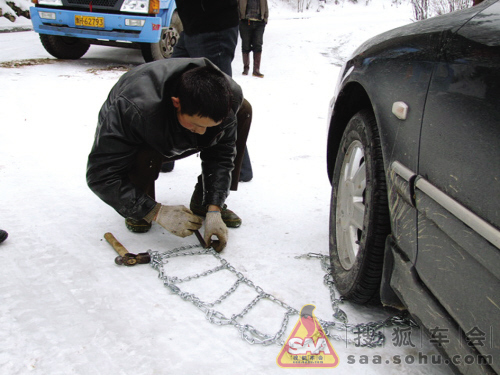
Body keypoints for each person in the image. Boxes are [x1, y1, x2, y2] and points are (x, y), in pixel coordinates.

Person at [86, 58, 252, 252]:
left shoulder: (228, 102)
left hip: (171, 122)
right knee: (145, 154)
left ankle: (203, 201)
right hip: (145, 130)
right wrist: (155, 211)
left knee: (244, 110)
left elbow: (222, 155)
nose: (201, 132)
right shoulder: (133, 108)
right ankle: (139, 203)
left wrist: (214, 206)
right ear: (177, 103)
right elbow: (100, 175)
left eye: (209, 127)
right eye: (196, 124)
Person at [163, 0, 254, 182]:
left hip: (214, 27)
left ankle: (237, 168)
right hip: (192, 26)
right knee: (169, 86)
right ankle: (163, 157)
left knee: (220, 99)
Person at [238, 0, 269, 78]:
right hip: (245, 21)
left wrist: (265, 18)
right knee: (245, 45)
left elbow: (265, 4)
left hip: (259, 22)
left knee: (258, 45)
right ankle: (246, 68)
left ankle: (256, 70)